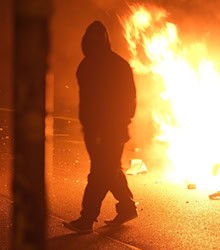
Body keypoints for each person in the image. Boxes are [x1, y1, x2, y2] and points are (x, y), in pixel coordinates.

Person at [63, 20, 138, 234]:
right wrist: (88, 125)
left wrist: (121, 123)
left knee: (99, 173)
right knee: (109, 169)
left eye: (97, 39)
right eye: (91, 39)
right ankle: (127, 207)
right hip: (94, 130)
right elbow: (87, 100)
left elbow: (128, 99)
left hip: (112, 130)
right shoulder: (85, 66)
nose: (93, 44)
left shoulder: (118, 65)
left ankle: (87, 219)